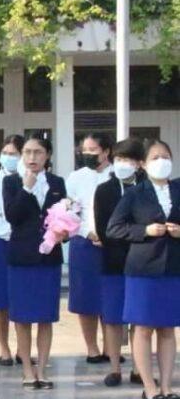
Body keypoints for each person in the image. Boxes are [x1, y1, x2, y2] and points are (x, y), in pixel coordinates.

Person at [107, 139, 180, 399]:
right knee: (143, 327)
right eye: (155, 158)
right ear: (143, 164)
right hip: (143, 269)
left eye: (165, 156)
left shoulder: (178, 189)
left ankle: (167, 385)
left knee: (168, 328)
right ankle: (149, 386)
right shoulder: (135, 194)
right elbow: (114, 228)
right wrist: (144, 231)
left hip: (173, 268)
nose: (161, 162)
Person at [3, 133, 67, 390]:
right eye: (27, 152)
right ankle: (27, 370)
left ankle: (42, 369)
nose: (32, 157)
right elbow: (12, 216)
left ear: (47, 155)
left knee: (45, 316)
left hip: (49, 257)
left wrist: (64, 232)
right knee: (22, 317)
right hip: (21, 257)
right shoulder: (11, 182)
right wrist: (26, 188)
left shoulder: (57, 182)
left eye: (38, 152)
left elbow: (64, 215)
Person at [93, 138, 145, 387]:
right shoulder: (105, 190)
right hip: (113, 261)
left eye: (128, 159)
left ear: (139, 163)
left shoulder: (147, 188)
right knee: (113, 318)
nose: (123, 164)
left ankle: (139, 368)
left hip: (143, 262)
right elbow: (105, 230)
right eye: (119, 159)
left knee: (140, 319)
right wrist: (136, 234)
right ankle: (114, 367)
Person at [66, 133, 115, 362]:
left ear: (106, 151)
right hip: (84, 243)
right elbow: (70, 211)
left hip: (113, 243)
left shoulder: (116, 174)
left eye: (93, 150)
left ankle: (111, 347)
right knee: (86, 297)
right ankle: (92, 348)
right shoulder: (75, 178)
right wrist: (88, 231)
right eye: (84, 150)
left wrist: (107, 234)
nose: (88, 154)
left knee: (111, 296)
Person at [0, 135, 24, 366]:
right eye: (5, 153)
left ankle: (23, 348)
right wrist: (13, 232)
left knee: (22, 298)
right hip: (0, 242)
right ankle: (4, 348)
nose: (8, 157)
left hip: (24, 243)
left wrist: (22, 234)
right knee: (0, 300)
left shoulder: (30, 178)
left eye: (13, 154)